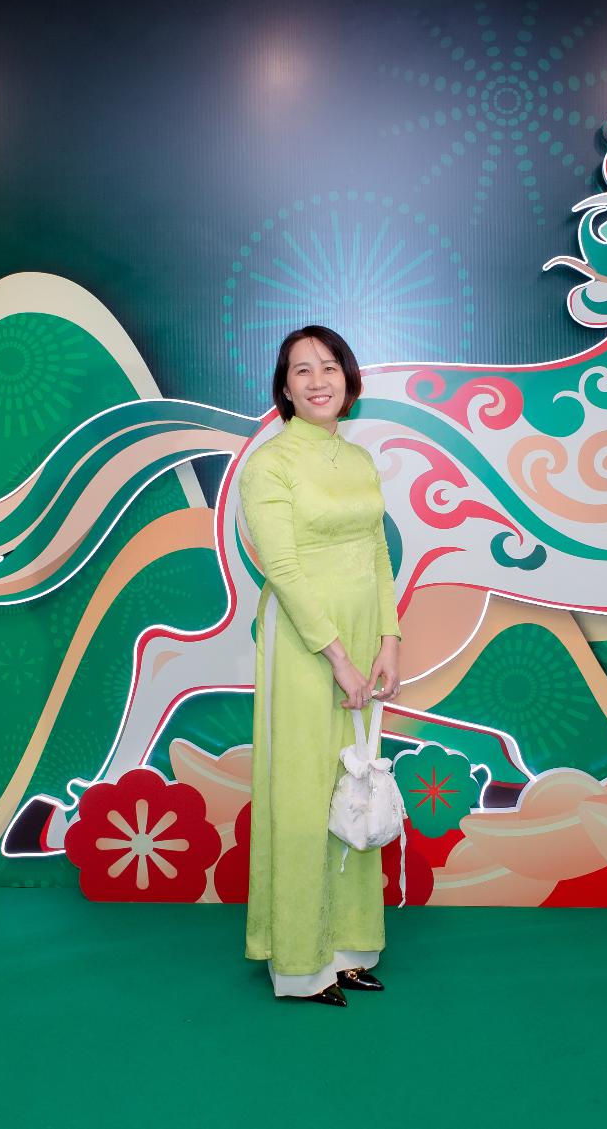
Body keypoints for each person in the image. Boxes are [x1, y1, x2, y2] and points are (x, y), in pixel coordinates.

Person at [237, 324, 403, 1007]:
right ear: (284, 387)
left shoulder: (358, 460)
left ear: (348, 379)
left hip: (364, 637)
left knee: (355, 782)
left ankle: (350, 949)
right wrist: (336, 654)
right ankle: (302, 963)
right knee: (306, 788)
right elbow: (281, 567)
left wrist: (388, 639)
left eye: (329, 366)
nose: (317, 380)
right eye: (301, 370)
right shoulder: (270, 464)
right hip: (307, 643)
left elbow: (377, 551)